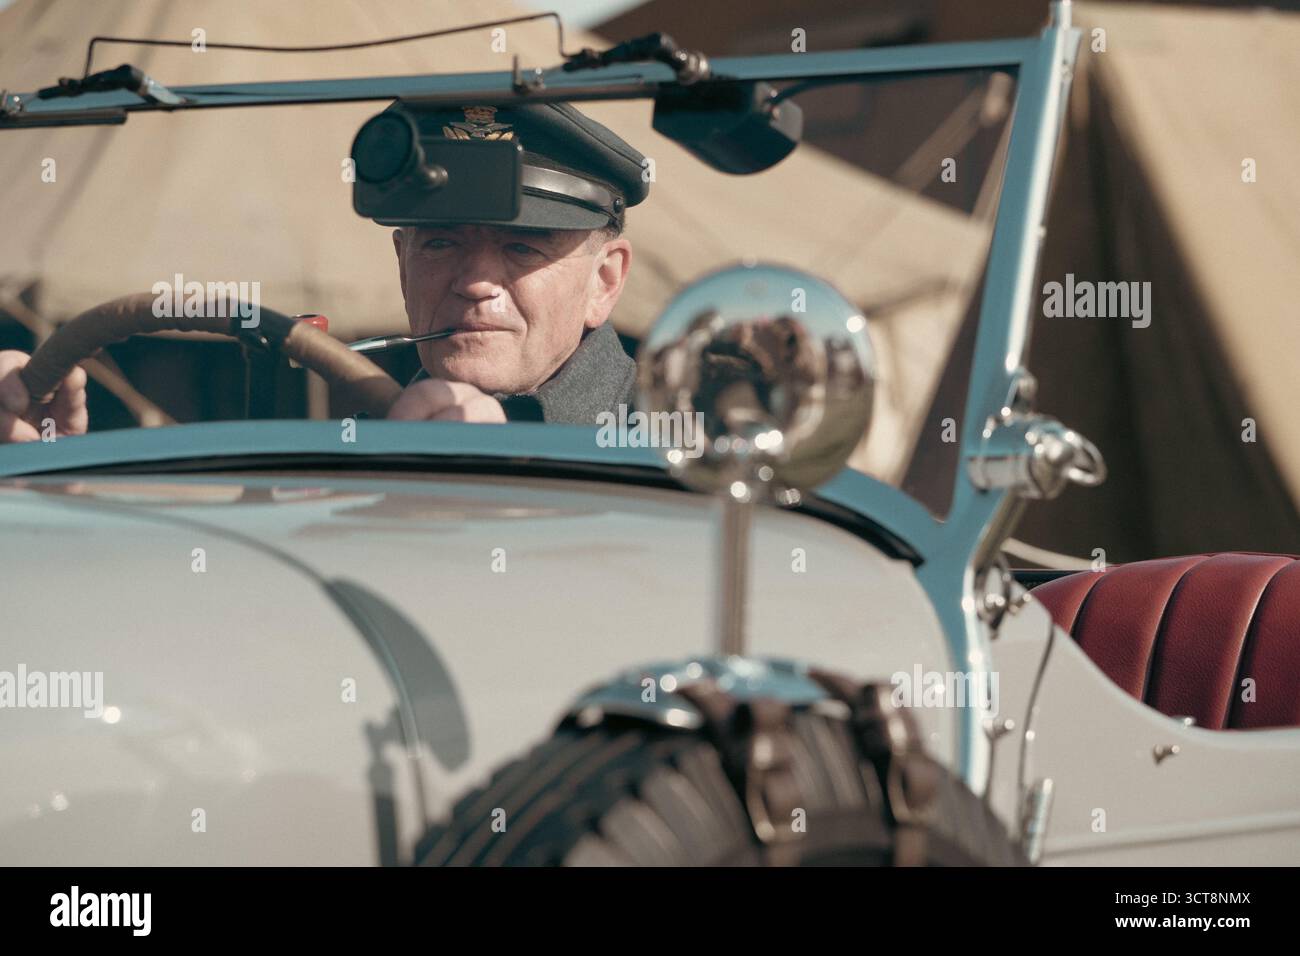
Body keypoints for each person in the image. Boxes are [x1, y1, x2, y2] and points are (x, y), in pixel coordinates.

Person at [0, 101, 649, 442]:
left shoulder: (693, 442)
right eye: (441, 245)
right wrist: (51, 472)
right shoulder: (353, 445)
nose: (475, 281)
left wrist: (509, 472)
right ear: (402, 263)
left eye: (521, 251)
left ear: (606, 281)